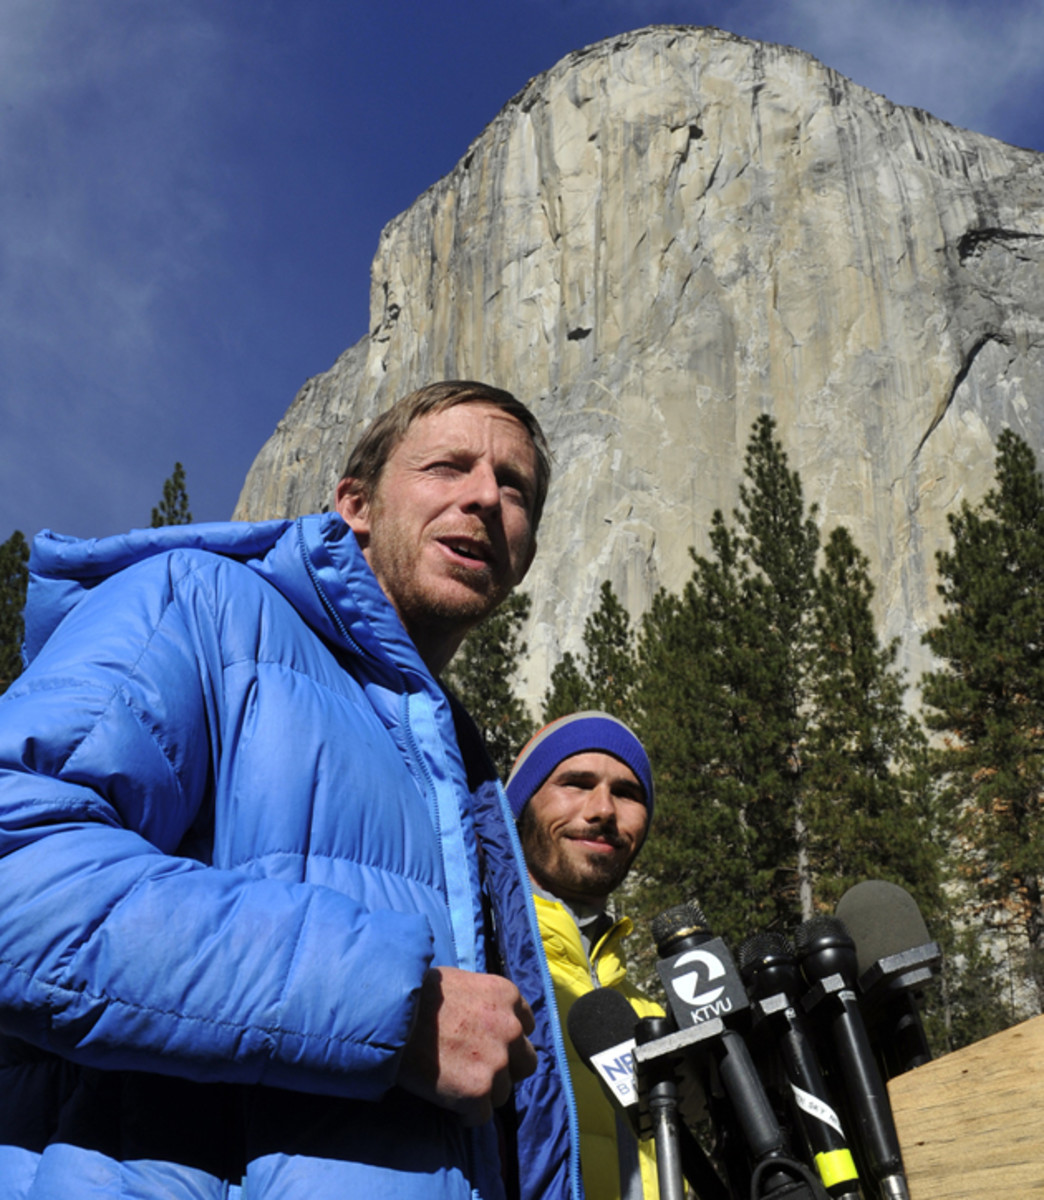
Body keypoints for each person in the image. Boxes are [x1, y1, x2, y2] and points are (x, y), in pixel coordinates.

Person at [0, 381, 582, 1200]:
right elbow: (15, 871)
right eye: (449, 466)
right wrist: (396, 1008)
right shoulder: (199, 603)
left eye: (514, 487)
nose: (485, 496)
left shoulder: (463, 777)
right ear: (356, 505)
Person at [506, 712, 661, 1200]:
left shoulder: (652, 1016)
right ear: (520, 807)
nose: (603, 809)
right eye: (575, 783)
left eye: (627, 793)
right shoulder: (474, 972)